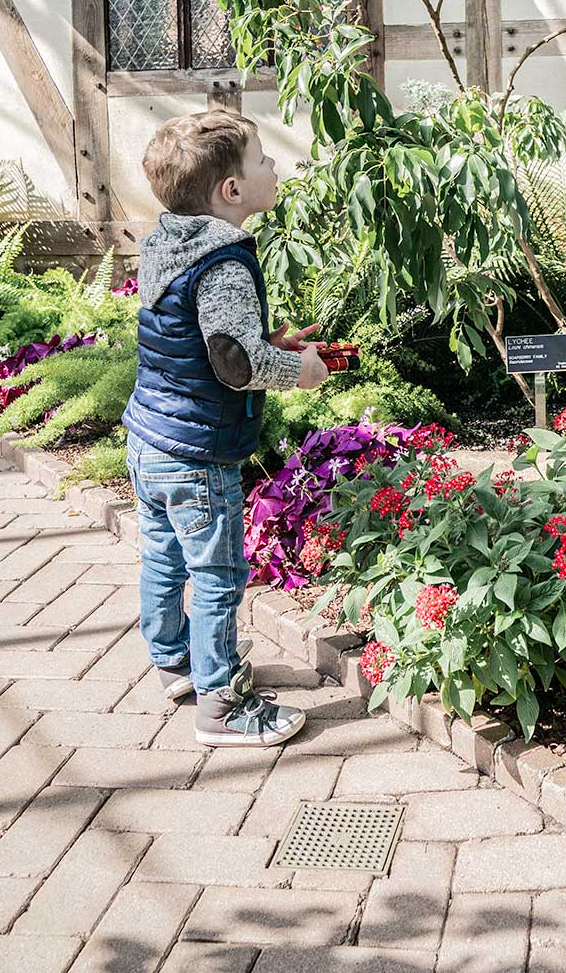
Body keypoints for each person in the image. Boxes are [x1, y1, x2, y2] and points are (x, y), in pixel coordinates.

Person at [123, 111, 330, 748]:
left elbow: (201, 340)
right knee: (218, 575)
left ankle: (175, 663)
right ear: (231, 192)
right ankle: (221, 706)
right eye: (262, 159)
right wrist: (299, 369)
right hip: (196, 452)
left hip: (150, 438)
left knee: (162, 555)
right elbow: (237, 368)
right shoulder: (225, 264)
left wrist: (261, 340)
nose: (273, 166)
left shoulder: (170, 240)